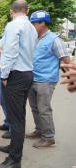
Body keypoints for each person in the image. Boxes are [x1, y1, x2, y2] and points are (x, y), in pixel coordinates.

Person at [0, 0, 38, 168]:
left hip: (15, 74)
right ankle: (14, 148)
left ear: (11, 10)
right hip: (27, 72)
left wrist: (4, 74)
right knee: (18, 115)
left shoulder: (13, 25)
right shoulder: (31, 27)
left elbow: (10, 51)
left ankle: (14, 160)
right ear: (26, 10)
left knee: (16, 118)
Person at [26, 10, 71, 148]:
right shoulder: (34, 38)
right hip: (32, 78)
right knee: (35, 108)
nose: (32, 25)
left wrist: (70, 77)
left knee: (44, 109)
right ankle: (39, 131)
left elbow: (66, 59)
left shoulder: (54, 39)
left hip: (46, 80)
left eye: (34, 23)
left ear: (43, 23)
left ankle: (49, 137)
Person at [0, 38, 11, 140]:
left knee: (11, 103)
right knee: (3, 101)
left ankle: (12, 129)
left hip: (12, 73)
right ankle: (7, 123)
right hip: (3, 72)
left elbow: (14, 56)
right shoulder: (5, 38)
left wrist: (4, 53)